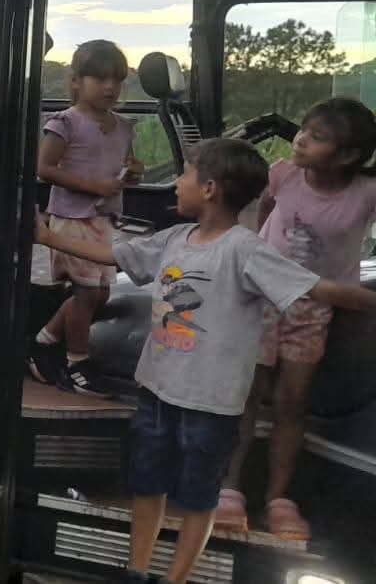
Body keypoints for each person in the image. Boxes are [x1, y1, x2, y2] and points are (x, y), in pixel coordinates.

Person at [37, 138, 376, 584]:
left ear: (210, 188)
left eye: (185, 176)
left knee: (199, 497)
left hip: (211, 403)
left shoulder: (245, 250)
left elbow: (319, 289)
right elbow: (112, 255)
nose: (176, 184)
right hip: (157, 389)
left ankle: (176, 578)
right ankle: (137, 570)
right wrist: (45, 236)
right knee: (147, 483)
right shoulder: (175, 238)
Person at [216, 98, 376, 537]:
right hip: (262, 296)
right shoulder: (283, 173)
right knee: (247, 395)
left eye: (317, 136)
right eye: (304, 129)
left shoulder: (365, 192)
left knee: (292, 402)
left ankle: (279, 499)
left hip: (314, 307)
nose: (301, 138)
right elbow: (261, 212)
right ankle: (228, 489)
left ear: (348, 156)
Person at [27, 40, 144, 396]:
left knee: (99, 295)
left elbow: (126, 165)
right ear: (75, 81)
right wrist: (93, 185)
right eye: (100, 78)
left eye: (117, 80)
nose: (110, 87)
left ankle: (44, 340)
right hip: (72, 218)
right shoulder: (65, 123)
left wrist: (133, 173)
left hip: (103, 219)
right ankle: (77, 362)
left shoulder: (123, 127)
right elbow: (44, 168)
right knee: (87, 294)